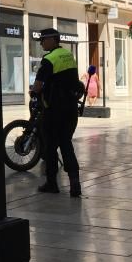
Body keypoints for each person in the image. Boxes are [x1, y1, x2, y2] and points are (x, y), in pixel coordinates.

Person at [32, 28, 82, 197]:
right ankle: (75, 182)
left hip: (54, 110)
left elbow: (38, 85)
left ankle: (52, 183)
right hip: (70, 108)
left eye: (43, 40)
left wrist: (33, 92)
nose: (41, 43)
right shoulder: (68, 55)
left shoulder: (49, 59)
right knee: (66, 143)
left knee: (51, 147)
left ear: (53, 40)